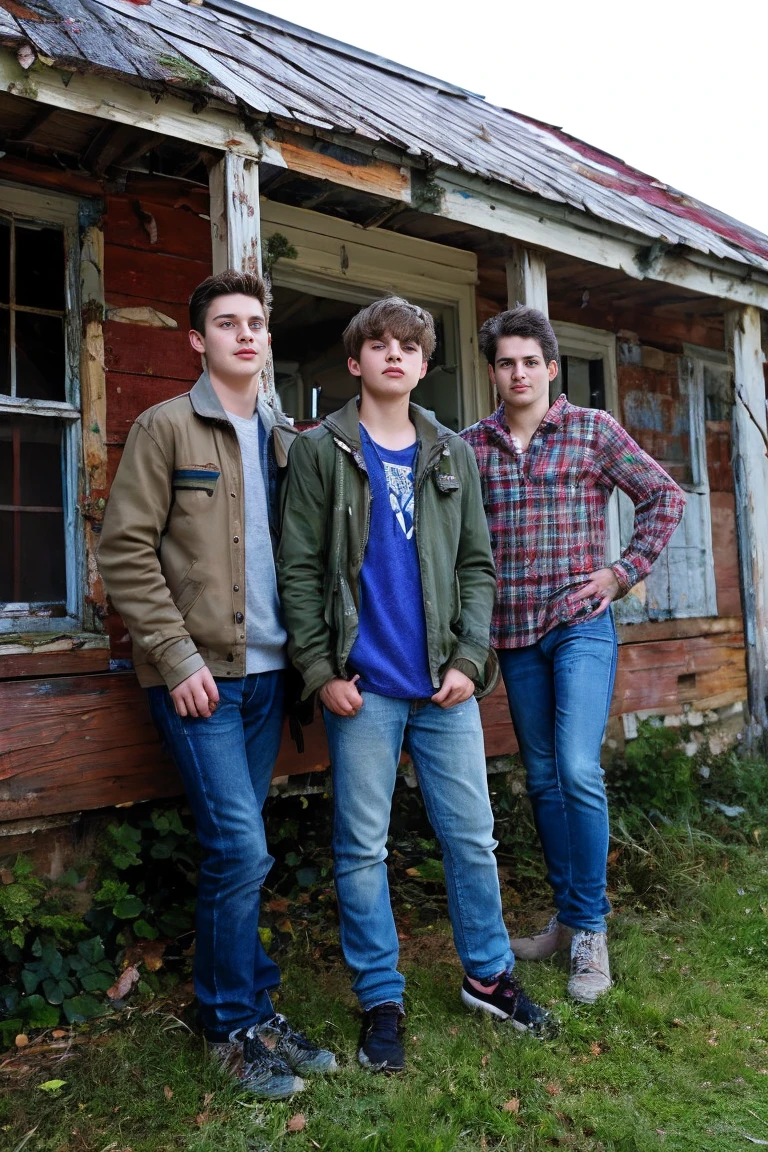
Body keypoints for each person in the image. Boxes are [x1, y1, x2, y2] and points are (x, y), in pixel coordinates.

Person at [277, 296, 552, 1074]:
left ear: (425, 365)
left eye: (409, 346)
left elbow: (476, 567)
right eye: (379, 344)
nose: (394, 355)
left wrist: (470, 660)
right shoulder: (322, 451)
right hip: (361, 691)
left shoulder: (449, 453)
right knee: (362, 848)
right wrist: (321, 670)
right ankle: (380, 999)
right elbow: (297, 573)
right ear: (356, 360)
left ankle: (489, 976)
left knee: (472, 837)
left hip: (442, 689)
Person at [98, 269, 335, 1099]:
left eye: (256, 324)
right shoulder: (166, 427)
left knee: (236, 854)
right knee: (241, 849)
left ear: (268, 341)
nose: (245, 334)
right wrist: (177, 657)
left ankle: (254, 1008)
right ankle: (228, 1023)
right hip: (199, 679)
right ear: (196, 340)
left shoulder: (280, 434)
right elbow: (124, 548)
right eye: (226, 323)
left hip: (270, 679)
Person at [461, 306, 686, 1003]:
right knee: (543, 779)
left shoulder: (591, 430)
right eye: (506, 362)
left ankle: (591, 931)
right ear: (492, 371)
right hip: (514, 633)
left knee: (579, 768)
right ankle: (565, 917)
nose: (518, 372)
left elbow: (663, 495)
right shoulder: (471, 446)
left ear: (551, 368)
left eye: (531, 361)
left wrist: (622, 572)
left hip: (580, 623)